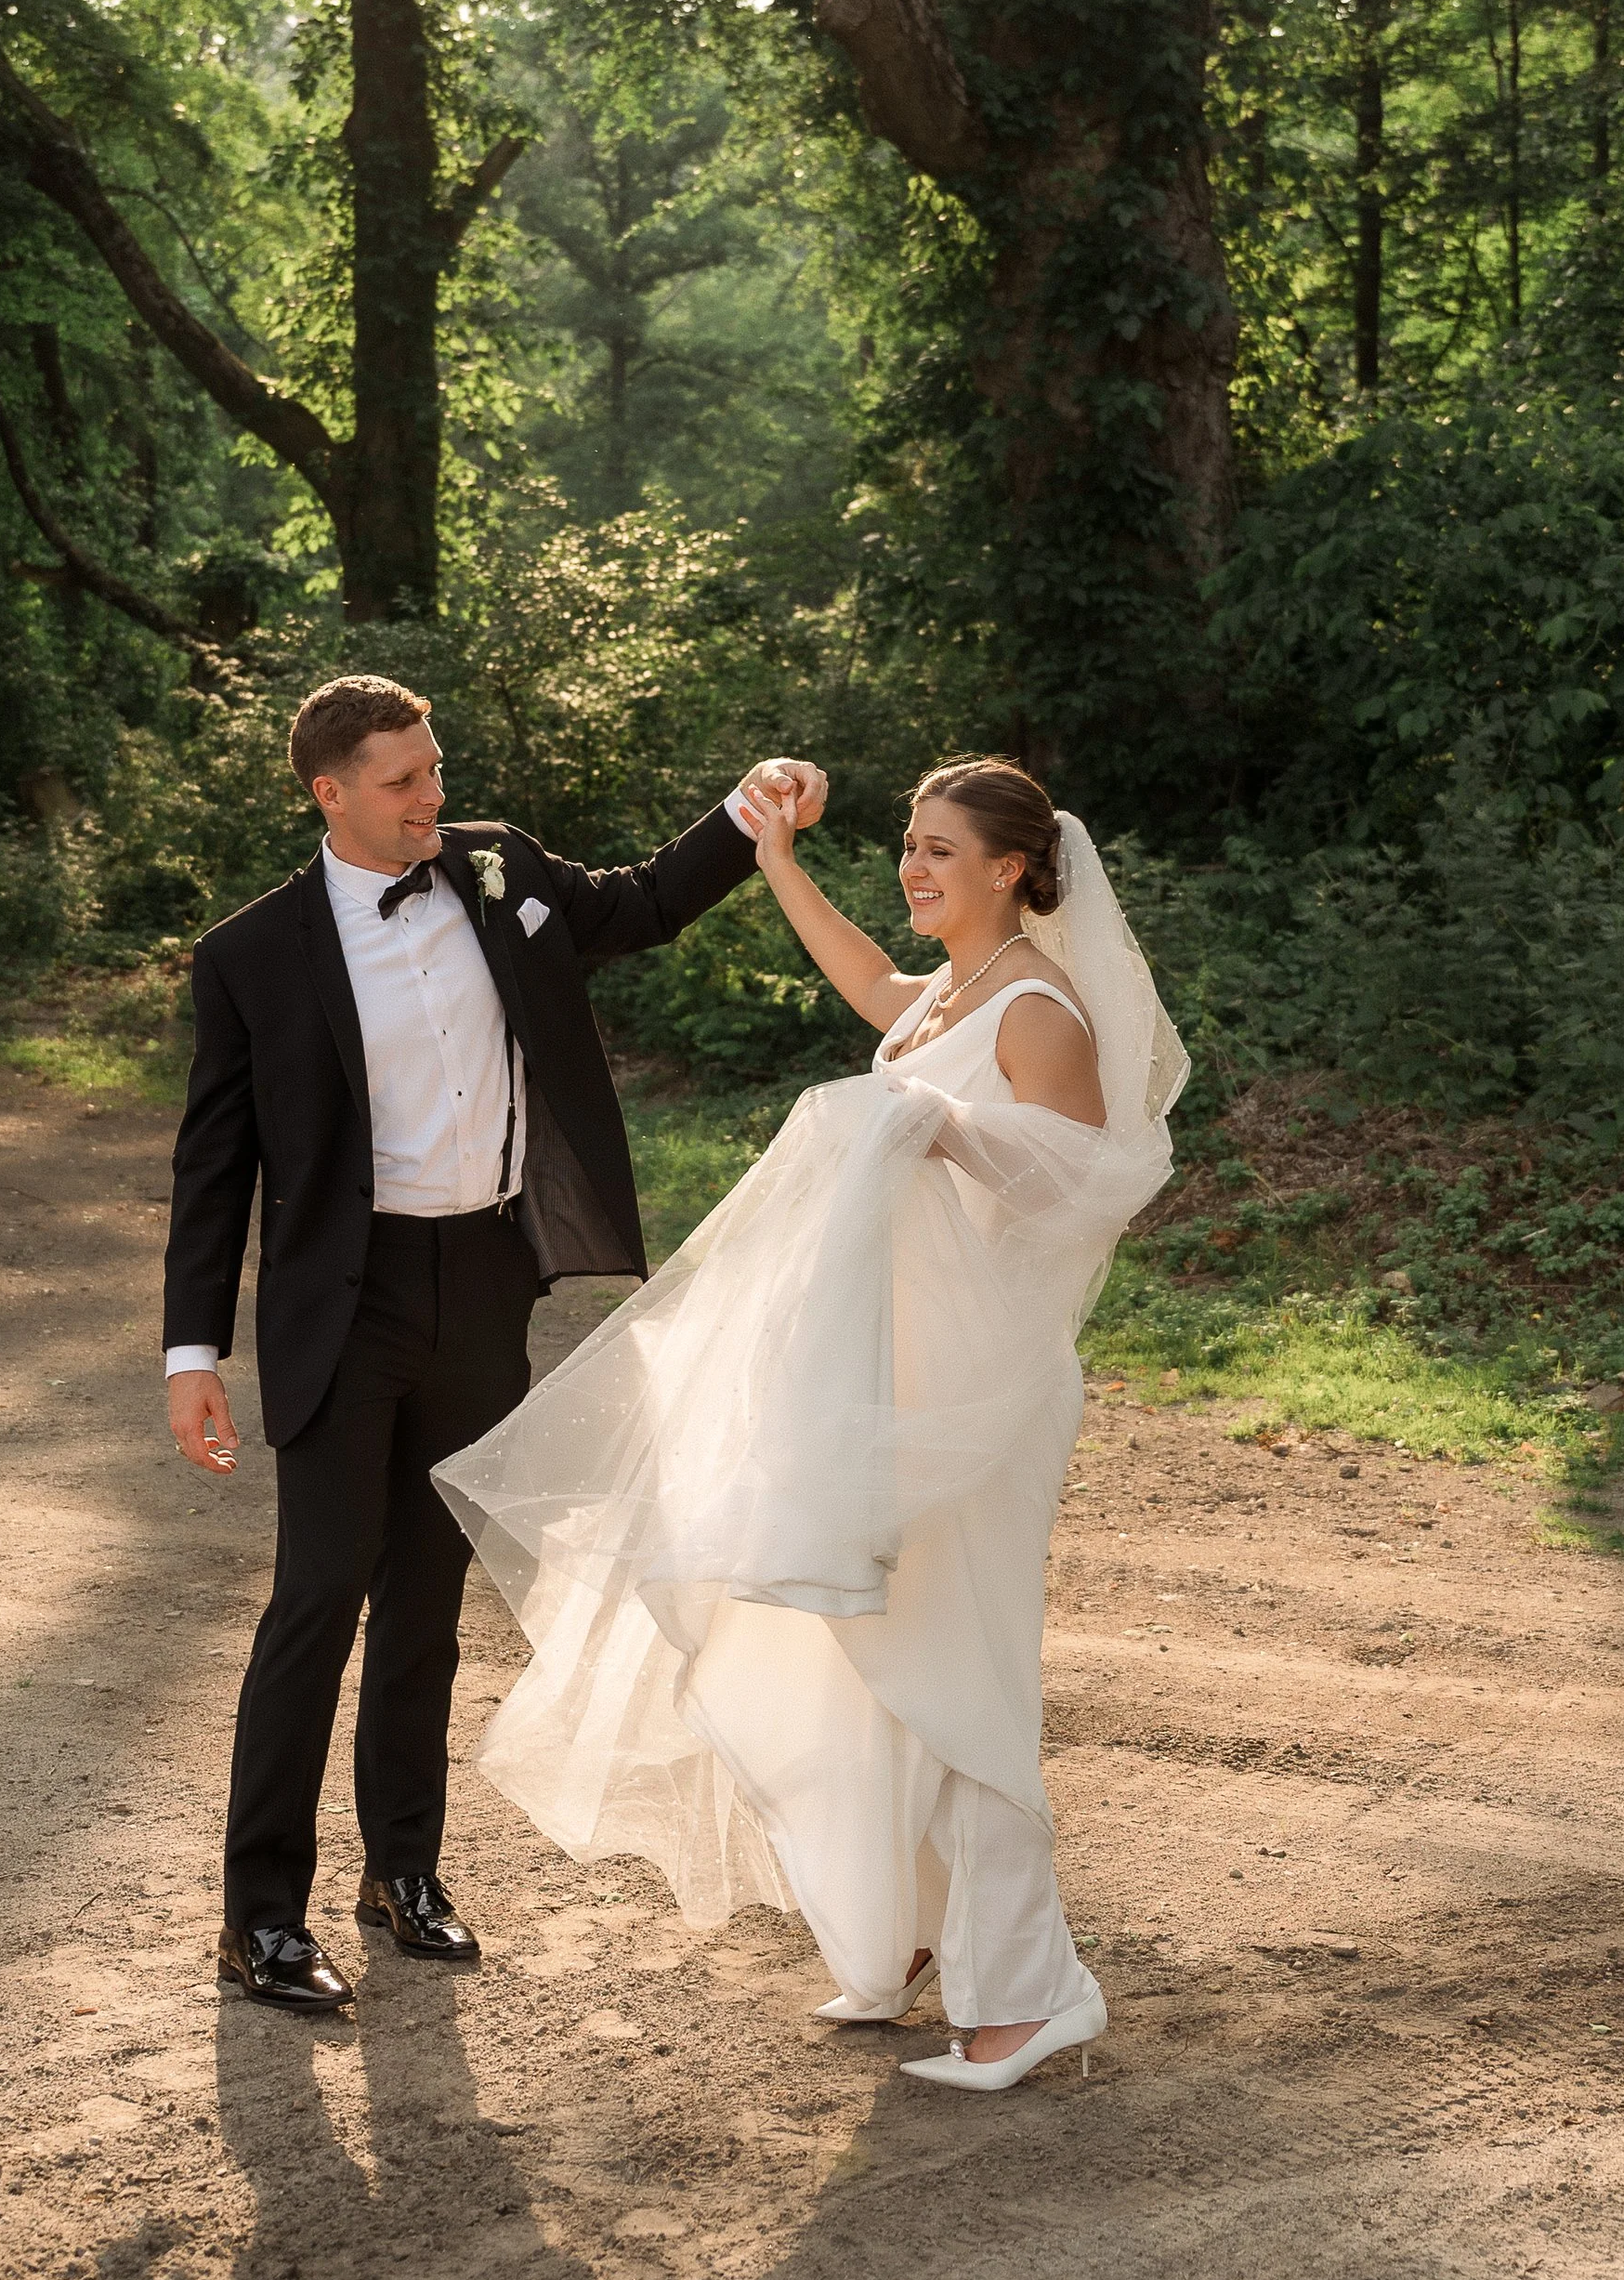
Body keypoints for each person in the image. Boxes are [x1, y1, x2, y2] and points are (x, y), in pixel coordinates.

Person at [435, 754, 1185, 2093]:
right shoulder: (951, 995)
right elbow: (878, 996)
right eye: (908, 845)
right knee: (856, 1658)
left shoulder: (1041, 1009)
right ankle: (897, 1941)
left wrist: (938, 1130)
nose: (913, 868)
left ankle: (1029, 1997)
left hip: (977, 1394)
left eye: (941, 850)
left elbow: (1092, 1182)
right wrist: (777, 861)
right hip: (885, 1377)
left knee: (957, 1676)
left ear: (1013, 867)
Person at [161, 671, 830, 2015]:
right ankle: (261, 1920)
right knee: (317, 1603)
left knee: (428, 1609)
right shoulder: (250, 958)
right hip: (342, 1305)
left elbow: (638, 905)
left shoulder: (495, 870)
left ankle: (403, 1877)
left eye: (436, 769)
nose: (434, 799)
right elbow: (213, 1168)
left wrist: (745, 817)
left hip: (484, 1283)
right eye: (403, 781)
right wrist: (191, 1354)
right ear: (329, 792)